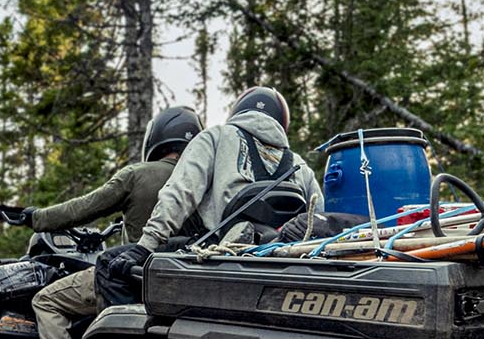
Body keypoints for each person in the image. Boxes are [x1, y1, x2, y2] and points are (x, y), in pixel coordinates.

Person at [0, 105, 202, 339]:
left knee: (46, 301)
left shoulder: (138, 175)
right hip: (186, 283)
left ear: (158, 138)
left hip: (132, 276)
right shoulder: (206, 181)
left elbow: (82, 208)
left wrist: (34, 217)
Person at [96, 86, 322, 293]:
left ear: (238, 111)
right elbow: (319, 217)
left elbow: (181, 191)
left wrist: (146, 246)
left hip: (216, 252)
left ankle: (131, 336)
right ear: (282, 122)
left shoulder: (217, 137)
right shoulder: (300, 166)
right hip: (277, 258)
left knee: (108, 263)